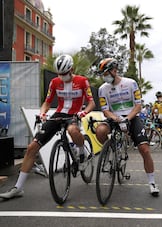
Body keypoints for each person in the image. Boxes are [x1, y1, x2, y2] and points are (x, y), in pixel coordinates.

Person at [0, 54, 96, 199]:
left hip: (75, 114)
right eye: (60, 74)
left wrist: (84, 112)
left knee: (72, 129)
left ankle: (81, 153)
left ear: (72, 69)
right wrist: (42, 113)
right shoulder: (54, 82)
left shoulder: (82, 81)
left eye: (65, 73)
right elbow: (47, 102)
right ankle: (18, 188)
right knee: (32, 147)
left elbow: (91, 102)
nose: (62, 76)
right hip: (59, 114)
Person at [95, 58, 159, 196]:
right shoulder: (102, 89)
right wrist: (116, 119)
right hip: (114, 117)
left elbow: (138, 105)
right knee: (100, 130)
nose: (103, 76)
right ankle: (112, 150)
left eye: (105, 73)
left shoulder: (131, 83)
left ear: (114, 70)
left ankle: (152, 182)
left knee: (144, 149)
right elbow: (105, 110)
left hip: (132, 116)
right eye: (102, 74)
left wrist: (127, 119)